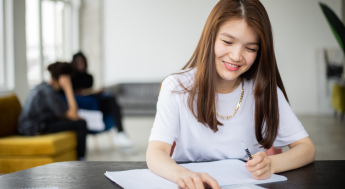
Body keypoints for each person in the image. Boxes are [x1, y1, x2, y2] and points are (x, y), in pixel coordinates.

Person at [146, 0, 316, 188]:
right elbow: (156, 152)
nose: (236, 56)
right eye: (227, 42)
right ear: (210, 38)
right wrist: (182, 175)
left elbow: (307, 148)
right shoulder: (176, 87)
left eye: (250, 48)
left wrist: (271, 164)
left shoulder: (265, 92)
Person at [18, 62, 87, 161]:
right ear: (64, 78)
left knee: (77, 122)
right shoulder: (48, 92)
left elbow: (67, 114)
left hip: (35, 125)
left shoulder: (45, 87)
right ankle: (81, 161)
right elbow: (74, 116)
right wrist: (68, 88)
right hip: (33, 129)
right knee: (81, 123)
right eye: (69, 78)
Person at [70, 52, 134, 148]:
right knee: (111, 104)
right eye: (78, 61)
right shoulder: (71, 78)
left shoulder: (89, 77)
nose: (81, 63)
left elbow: (90, 91)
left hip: (93, 101)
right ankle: (120, 133)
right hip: (83, 106)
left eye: (82, 61)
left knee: (112, 100)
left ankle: (120, 133)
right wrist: (83, 92)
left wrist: (96, 92)